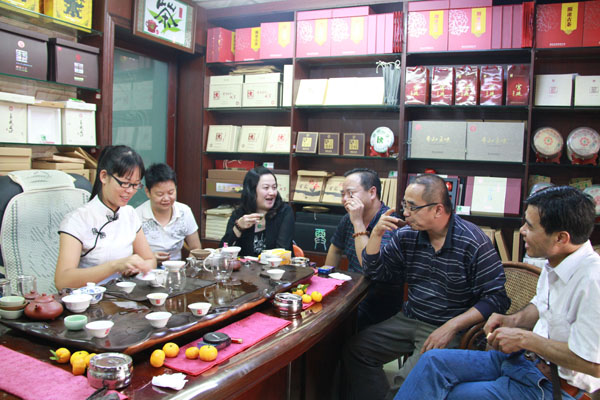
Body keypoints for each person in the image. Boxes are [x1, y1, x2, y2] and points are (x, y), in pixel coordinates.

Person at [394, 186, 600, 400]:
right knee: (432, 361)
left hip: (551, 386)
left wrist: (525, 339)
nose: (522, 231)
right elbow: (542, 305)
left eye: (530, 226)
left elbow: (594, 364)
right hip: (526, 362)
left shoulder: (592, 281)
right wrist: (513, 321)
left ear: (561, 238)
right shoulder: (556, 261)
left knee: (446, 395)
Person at [342, 174, 510, 400]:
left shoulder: (473, 241)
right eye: (404, 205)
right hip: (411, 317)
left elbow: (497, 298)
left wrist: (452, 326)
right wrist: (377, 235)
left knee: (406, 382)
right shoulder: (407, 235)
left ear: (438, 210)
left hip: (449, 325)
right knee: (356, 351)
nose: (405, 213)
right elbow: (375, 273)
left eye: (412, 207)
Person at [55, 145, 156, 290]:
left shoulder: (129, 214)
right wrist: (115, 266)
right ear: (103, 177)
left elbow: (150, 260)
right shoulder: (77, 220)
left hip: (123, 294)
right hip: (90, 298)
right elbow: (62, 280)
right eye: (124, 183)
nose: (130, 191)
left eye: (135, 185)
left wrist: (138, 268)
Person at [325, 168, 403, 330]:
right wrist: (326, 280)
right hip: (351, 292)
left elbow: (370, 268)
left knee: (334, 327)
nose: (345, 199)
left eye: (351, 193)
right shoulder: (348, 219)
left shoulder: (390, 222)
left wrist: (358, 223)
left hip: (377, 302)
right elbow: (335, 249)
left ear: (372, 192)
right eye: (342, 194)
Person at [220, 166, 294, 257]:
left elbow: (282, 252)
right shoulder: (240, 214)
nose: (272, 193)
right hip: (246, 266)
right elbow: (223, 250)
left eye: (274, 187)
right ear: (252, 191)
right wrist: (238, 227)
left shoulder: (284, 212)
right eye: (266, 188)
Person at [136, 163, 201, 262]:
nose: (166, 199)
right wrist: (149, 257)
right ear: (148, 192)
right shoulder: (137, 215)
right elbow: (129, 254)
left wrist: (189, 266)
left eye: (171, 192)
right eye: (160, 194)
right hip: (146, 267)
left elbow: (196, 248)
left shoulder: (184, 211)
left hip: (177, 268)